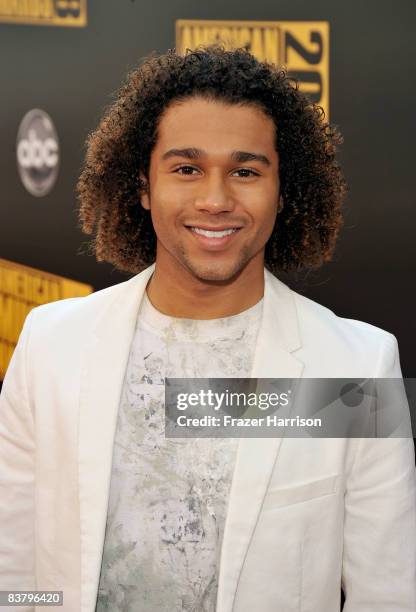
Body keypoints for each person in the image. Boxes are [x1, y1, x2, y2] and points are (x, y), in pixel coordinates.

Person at [0, 45, 415, 612]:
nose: (215, 199)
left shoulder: (353, 369)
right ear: (143, 186)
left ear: (282, 192)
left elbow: (386, 592)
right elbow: (16, 570)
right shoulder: (53, 344)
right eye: (187, 169)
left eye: (245, 171)